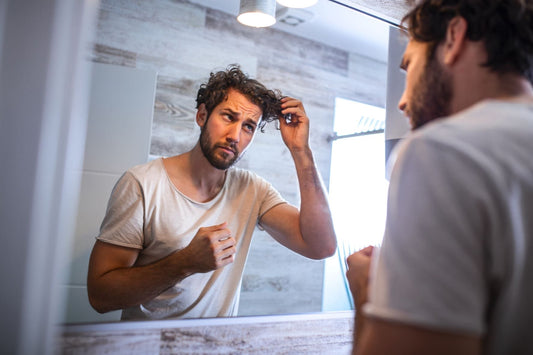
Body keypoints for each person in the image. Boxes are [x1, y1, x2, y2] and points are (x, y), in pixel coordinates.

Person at [346, 0, 533, 354]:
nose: (401, 102)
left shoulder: (441, 151)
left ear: (454, 37)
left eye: (408, 66)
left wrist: (365, 296)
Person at [87, 64, 337, 320]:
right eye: (229, 117)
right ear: (202, 116)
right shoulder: (142, 184)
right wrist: (185, 262)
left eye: (249, 126)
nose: (235, 136)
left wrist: (301, 151)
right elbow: (100, 296)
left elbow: (321, 246)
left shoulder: (253, 189)